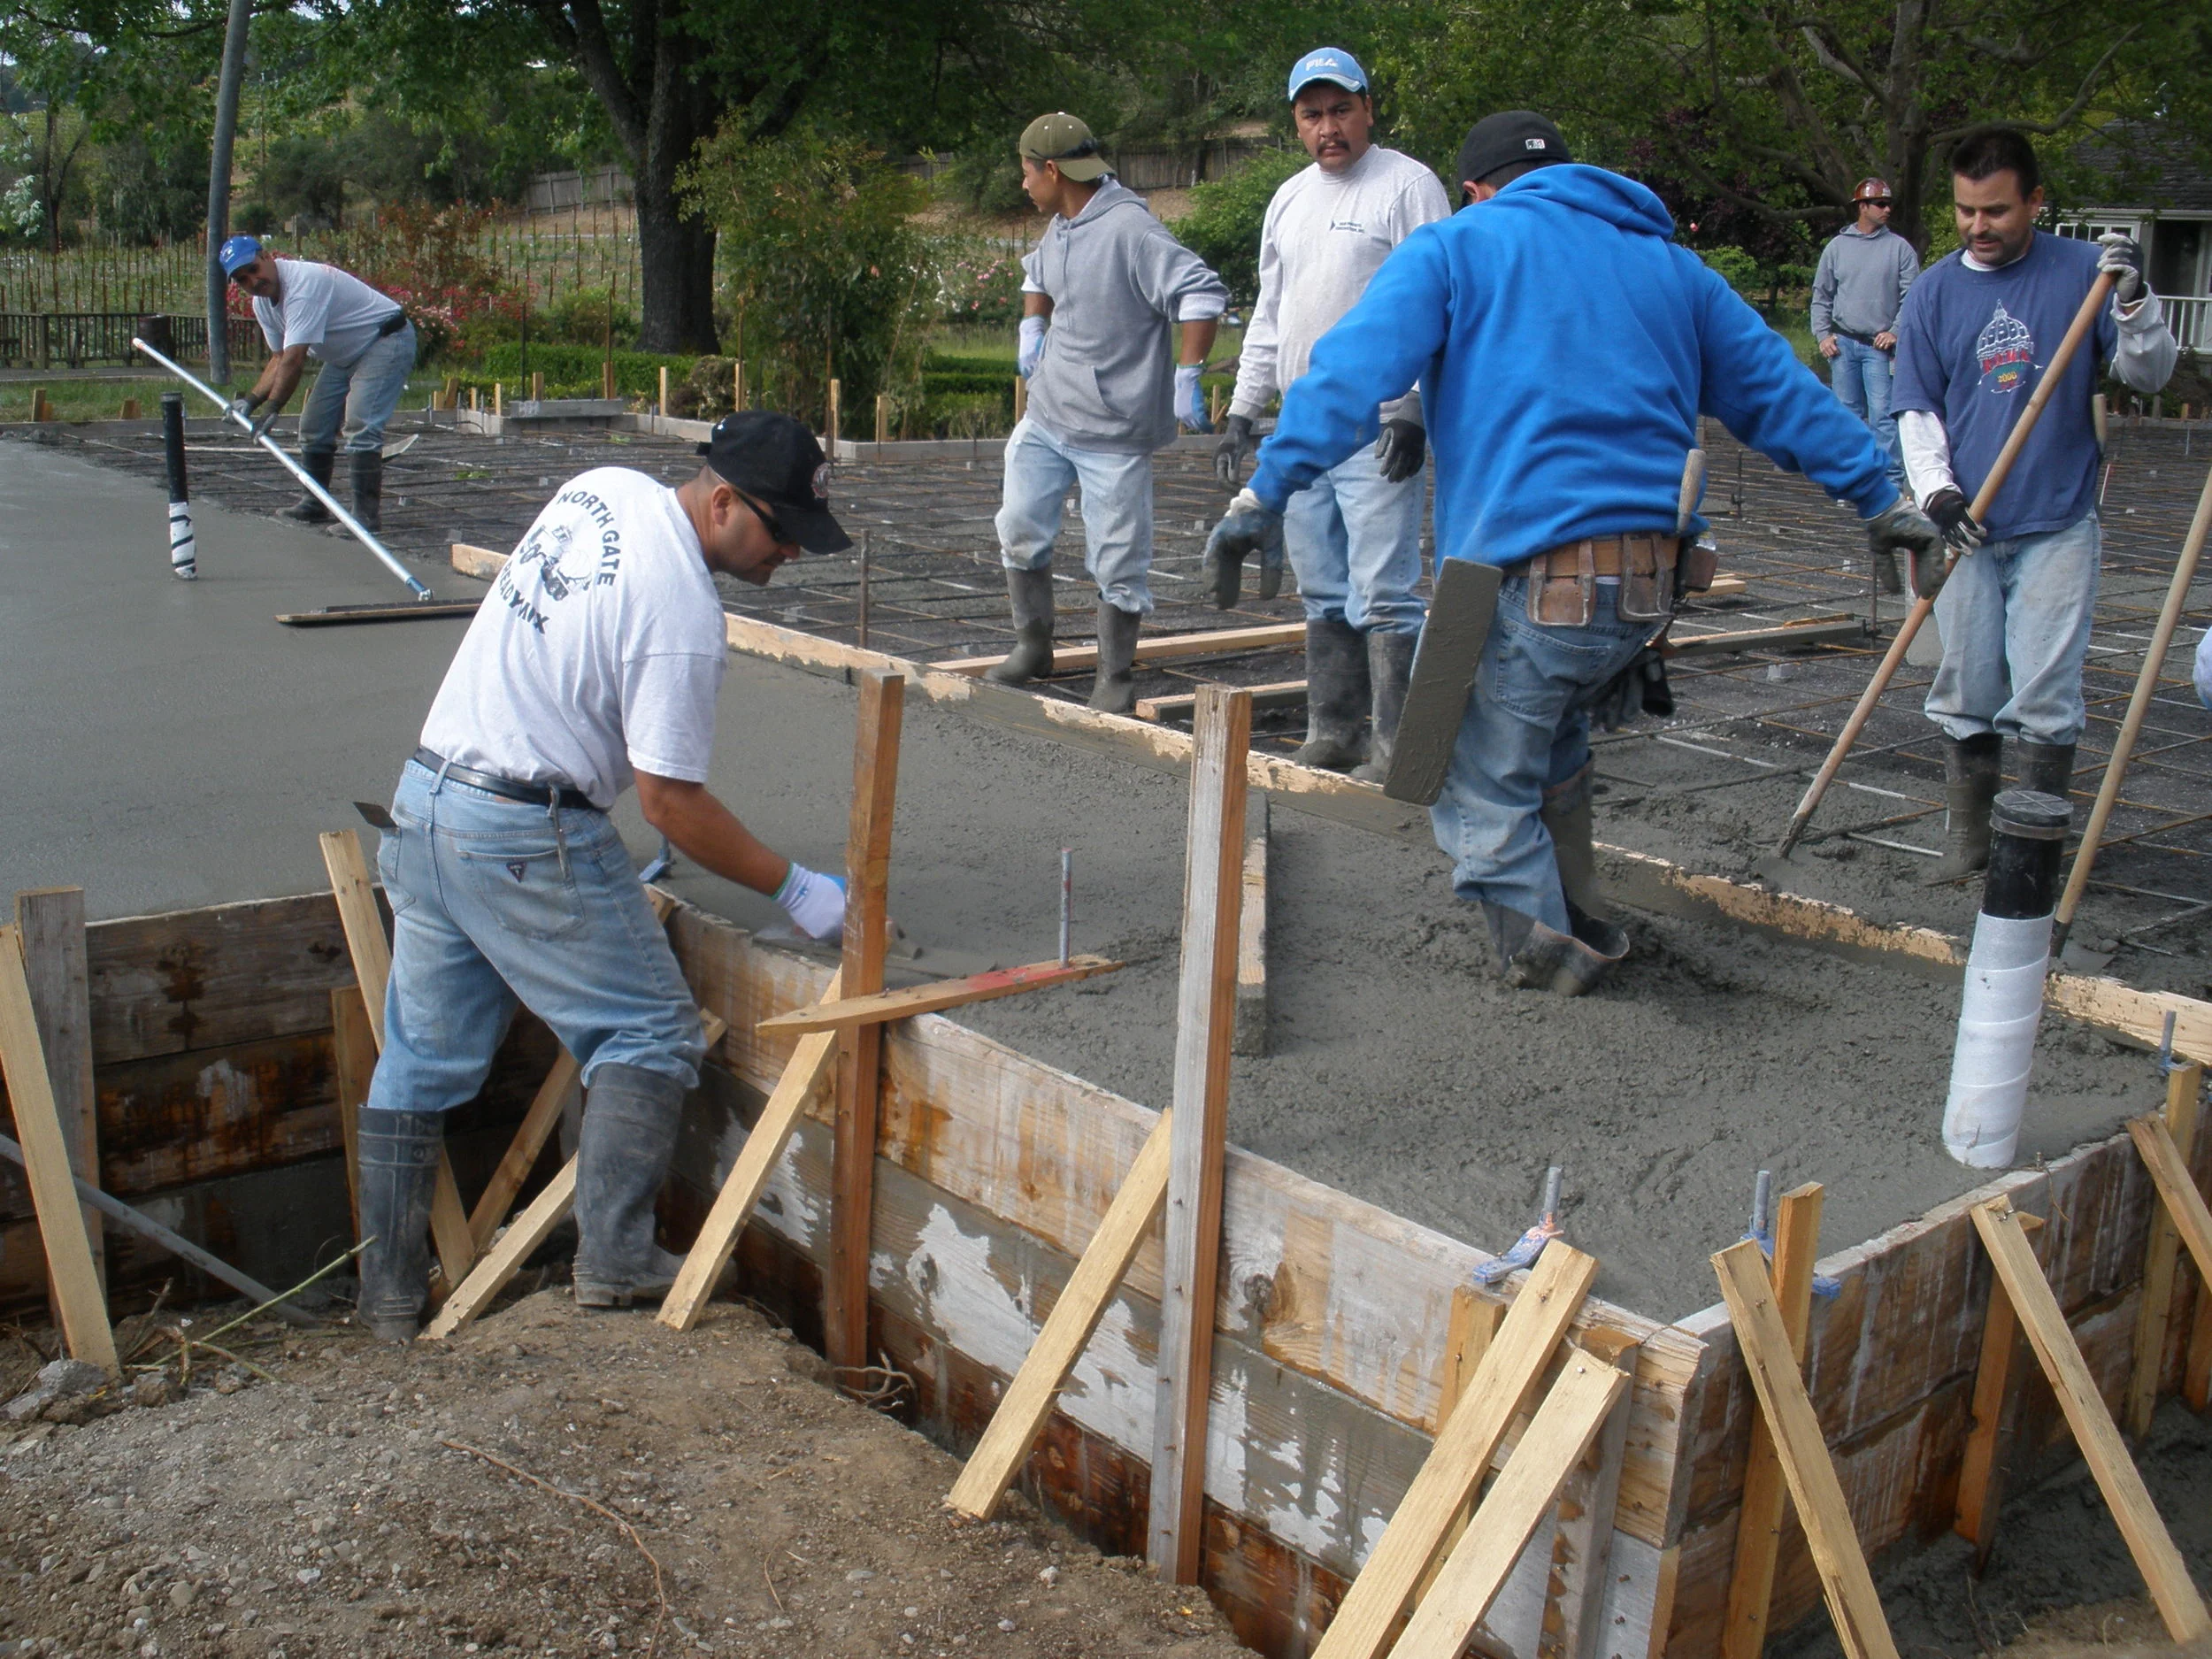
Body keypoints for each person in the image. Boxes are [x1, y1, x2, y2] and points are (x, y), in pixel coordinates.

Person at [1205, 111, 1945, 995]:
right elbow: (1783, 397)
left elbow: (1347, 374)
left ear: (1475, 187)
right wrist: (1880, 499)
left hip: (1522, 576)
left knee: (1461, 769)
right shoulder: (1672, 267)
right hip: (1647, 589)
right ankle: (1580, 908)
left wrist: (1266, 490)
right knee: (1548, 740)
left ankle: (1550, 957)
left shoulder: (1457, 247)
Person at [355, 411, 854, 1340]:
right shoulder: (684, 614)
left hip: (427, 803)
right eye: (780, 530)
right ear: (720, 501)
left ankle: (384, 1300)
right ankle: (617, 1263)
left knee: (420, 1063)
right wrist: (797, 890)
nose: (789, 552)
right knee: (650, 1032)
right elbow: (668, 803)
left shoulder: (603, 487)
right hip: (520, 828)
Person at [1890, 126, 2177, 881]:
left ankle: (2032, 854)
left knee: (2046, 694)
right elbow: (1917, 408)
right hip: (1970, 525)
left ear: (2035, 202)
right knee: (1967, 686)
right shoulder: (1934, 291)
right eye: (1964, 212)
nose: (1978, 228)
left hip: (2058, 518)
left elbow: (2150, 376)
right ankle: (1969, 840)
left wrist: (2135, 299)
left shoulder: (2085, 274)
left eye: (1996, 212)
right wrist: (1938, 493)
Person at [1211, 48, 1452, 778]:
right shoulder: (1288, 199)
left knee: (1384, 589)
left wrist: (1413, 405)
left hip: (1378, 428)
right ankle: (1335, 730)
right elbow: (1271, 313)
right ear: (1296, 122)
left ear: (1368, 108)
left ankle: (1396, 748)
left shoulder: (1408, 187)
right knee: (1322, 586)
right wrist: (1245, 409)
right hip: (1302, 429)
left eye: (1341, 109)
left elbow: (1443, 302)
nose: (1328, 128)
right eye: (1312, 115)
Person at [988, 112, 1231, 714]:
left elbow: (1201, 294)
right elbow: (1038, 274)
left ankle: (1115, 675)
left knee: (1118, 557)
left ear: (1052, 170)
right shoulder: (1063, 223)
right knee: (1019, 525)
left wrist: (1188, 373)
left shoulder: (1130, 231)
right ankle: (1032, 645)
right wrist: (1032, 323)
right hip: (1048, 413)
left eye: (1026, 173)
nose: (1023, 186)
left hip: (1113, 430)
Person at [219, 234, 418, 534]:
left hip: (385, 340)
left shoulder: (303, 284)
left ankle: (365, 519)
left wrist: (274, 407)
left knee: (361, 423)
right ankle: (314, 504)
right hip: (344, 354)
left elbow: (295, 359)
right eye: (243, 279)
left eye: (253, 269)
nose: (253, 281)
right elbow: (280, 356)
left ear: (268, 257)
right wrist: (251, 401)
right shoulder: (264, 304)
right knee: (313, 426)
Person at [1810, 178, 1921, 590]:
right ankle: (1852, 483)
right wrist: (1822, 334)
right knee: (1847, 416)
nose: (1887, 209)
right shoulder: (1837, 248)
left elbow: (1914, 296)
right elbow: (1821, 294)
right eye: (1879, 204)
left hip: (1878, 347)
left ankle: (1888, 488)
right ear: (1862, 207)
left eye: (1889, 203)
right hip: (1844, 343)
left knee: (1884, 418)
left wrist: (1895, 331)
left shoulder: (1900, 250)